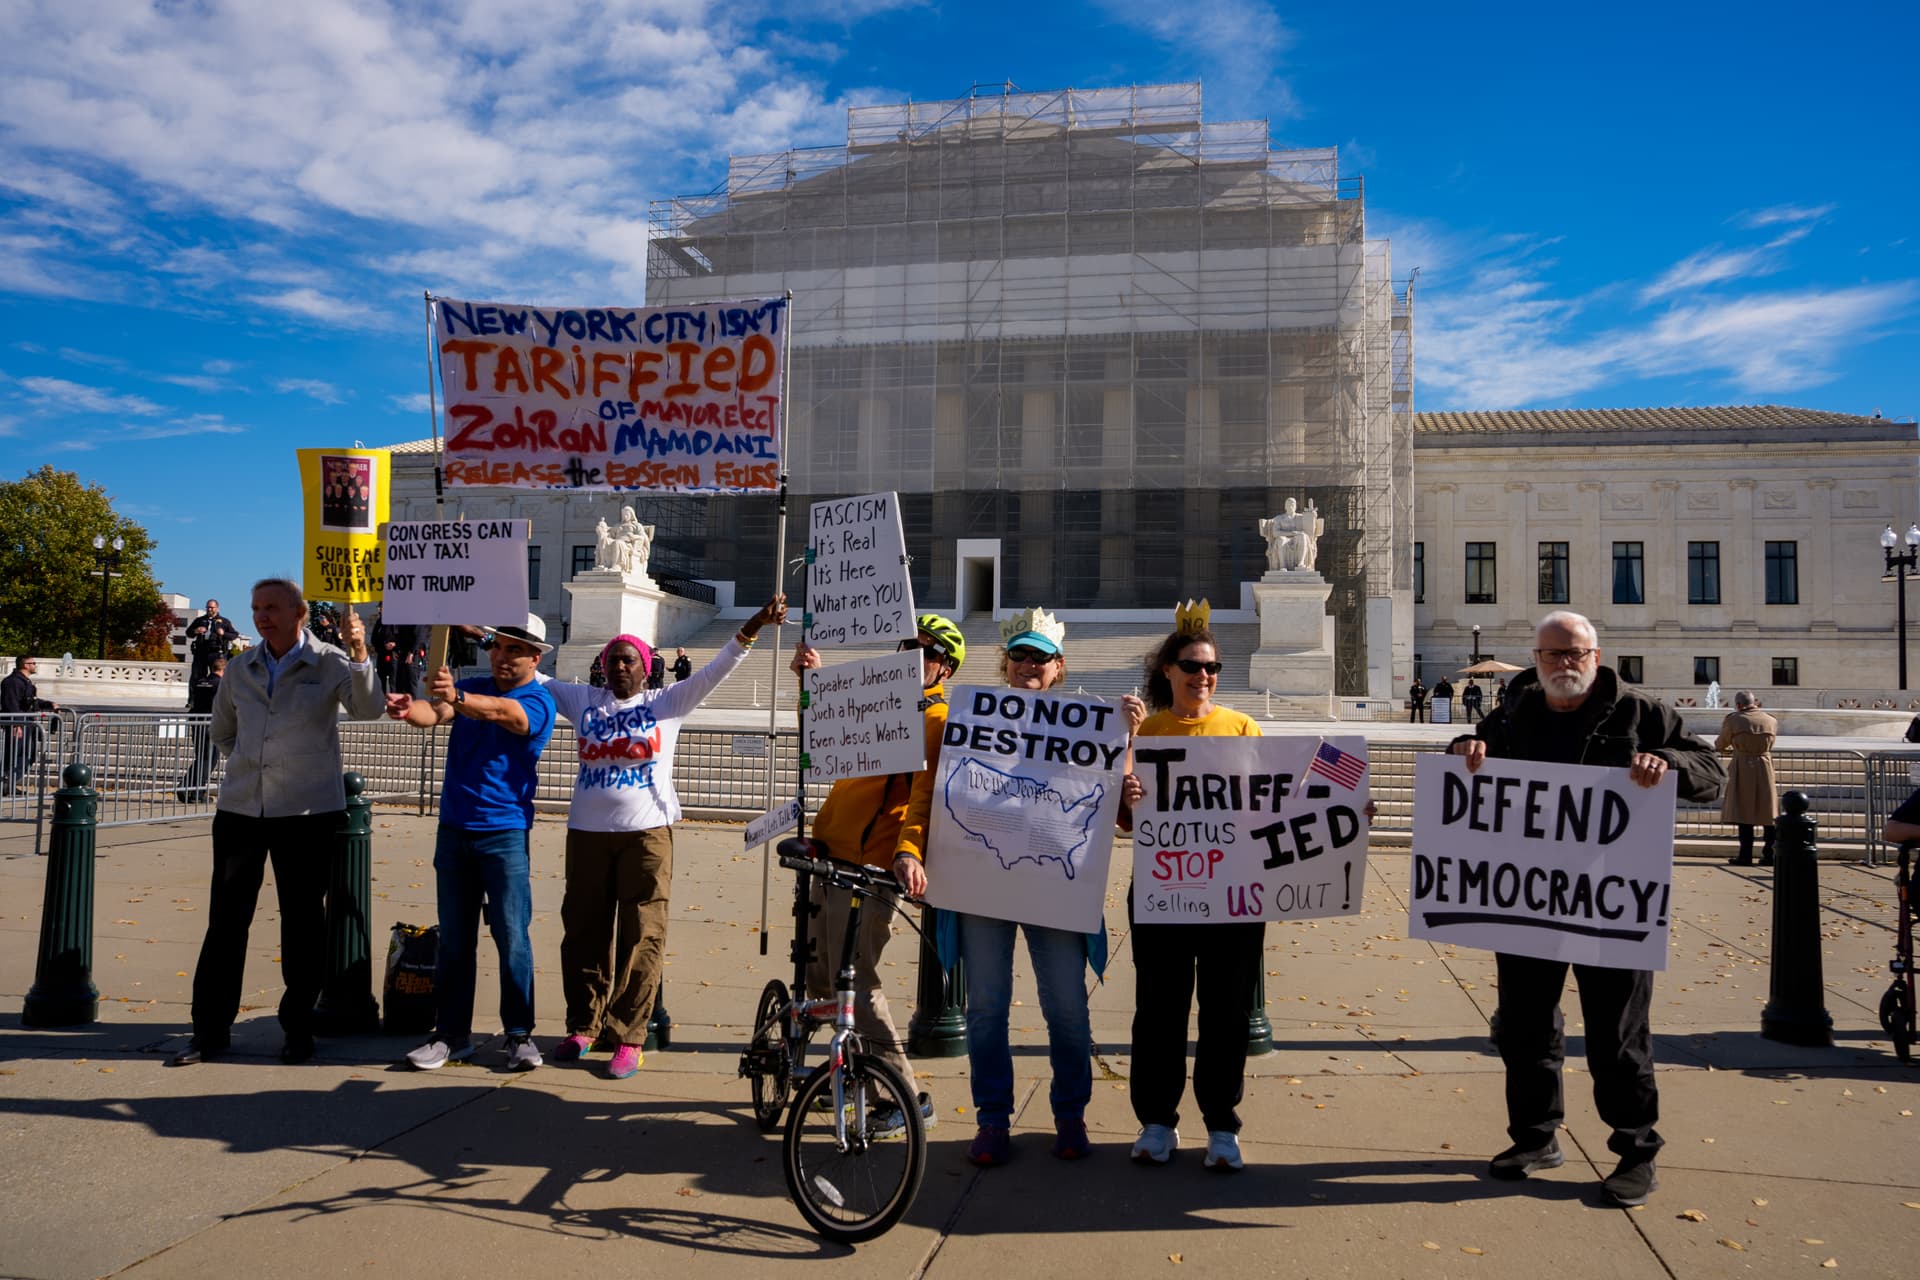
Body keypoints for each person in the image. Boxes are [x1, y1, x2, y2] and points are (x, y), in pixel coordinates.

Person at [1451, 610, 1723, 1207]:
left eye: (1575, 654)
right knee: (1525, 1029)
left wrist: (1669, 763)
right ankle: (1535, 1136)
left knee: (1618, 1034)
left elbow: (1711, 773)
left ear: (1596, 656)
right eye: (1552, 655)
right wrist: (1465, 745)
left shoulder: (1642, 713)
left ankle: (1635, 1151)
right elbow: (1468, 763)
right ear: (1537, 660)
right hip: (1527, 901)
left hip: (1610, 904)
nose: (1564, 665)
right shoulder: (1514, 713)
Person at [540, 597, 787, 1080]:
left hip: (647, 836)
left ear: (646, 667)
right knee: (584, 932)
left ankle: (629, 1034)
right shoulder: (581, 701)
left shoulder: (666, 703)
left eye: (628, 660)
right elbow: (531, 673)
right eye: (612, 660)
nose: (618, 667)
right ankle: (583, 1026)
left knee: (642, 935)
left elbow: (719, 668)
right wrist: (482, 635)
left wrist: (755, 622)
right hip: (587, 835)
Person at [895, 606, 1103, 1166]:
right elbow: (923, 795)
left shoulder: (1089, 725)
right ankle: (991, 1119)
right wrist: (909, 848)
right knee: (985, 1008)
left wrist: (1126, 741)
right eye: (1019, 656)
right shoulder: (962, 718)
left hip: (1053, 889)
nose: (1028, 665)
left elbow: (1106, 809)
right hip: (981, 882)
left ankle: (1070, 1114)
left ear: (1058, 668)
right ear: (1004, 663)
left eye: (1040, 658)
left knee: (1066, 1009)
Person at [171, 580, 383, 1066]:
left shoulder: (330, 660)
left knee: (303, 921)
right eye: (256, 609)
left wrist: (360, 653)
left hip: (306, 812)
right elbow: (224, 732)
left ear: (299, 613)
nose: (262, 616)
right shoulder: (241, 667)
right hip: (242, 809)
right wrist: (254, 763)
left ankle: (298, 1028)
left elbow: (369, 710)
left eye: (272, 608)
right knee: (225, 921)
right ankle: (209, 1029)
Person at [791, 613, 965, 1134]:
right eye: (908, 645)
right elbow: (820, 745)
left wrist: (909, 851)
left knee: (857, 986)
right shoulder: (879, 701)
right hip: (829, 853)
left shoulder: (938, 720)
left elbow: (924, 798)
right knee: (822, 980)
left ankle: (905, 1096)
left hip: (872, 869)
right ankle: (855, 1081)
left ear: (946, 669)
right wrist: (809, 683)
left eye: (930, 653)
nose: (916, 657)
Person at [1117, 612, 1262, 1172]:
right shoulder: (1148, 733)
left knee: (1227, 1012)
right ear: (1168, 670)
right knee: (1159, 1009)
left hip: (1232, 895)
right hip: (1164, 890)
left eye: (1212, 667)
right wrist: (1127, 794)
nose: (1204, 675)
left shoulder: (1243, 727)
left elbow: (1275, 804)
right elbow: (1128, 821)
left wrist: (1341, 807)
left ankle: (1221, 1124)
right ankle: (1157, 1121)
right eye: (1193, 666)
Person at [388, 614, 558, 1072]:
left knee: (512, 939)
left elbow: (506, 715)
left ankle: (519, 1035)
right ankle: (451, 1035)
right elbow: (435, 713)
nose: (502, 656)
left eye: (514, 650)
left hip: (504, 832)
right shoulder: (475, 684)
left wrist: (457, 696)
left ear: (535, 658)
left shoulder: (538, 699)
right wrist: (410, 709)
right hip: (455, 829)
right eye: (498, 647)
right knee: (457, 943)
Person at [1717, 691, 1779, 867]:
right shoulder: (1770, 720)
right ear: (1755, 703)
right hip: (1765, 764)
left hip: (1743, 764)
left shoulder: (1733, 719)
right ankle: (1770, 853)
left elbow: (1721, 743)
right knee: (1769, 811)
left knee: (1744, 810)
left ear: (1737, 705)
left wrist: (1732, 750)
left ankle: (1745, 855)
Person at [2, 655, 58, 795]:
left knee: (28, 755)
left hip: (27, 723)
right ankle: (5, 784)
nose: (35, 665)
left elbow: (30, 701)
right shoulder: (13, 682)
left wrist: (48, 704)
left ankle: (9, 784)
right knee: (15, 755)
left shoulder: (25, 681)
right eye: (33, 663)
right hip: (19, 724)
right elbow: (11, 704)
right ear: (25, 665)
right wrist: (17, 724)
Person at [177, 655, 225, 801]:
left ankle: (186, 787)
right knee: (210, 759)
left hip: (197, 721)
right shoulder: (221, 684)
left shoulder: (200, 682)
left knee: (202, 757)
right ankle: (197, 792)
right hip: (212, 723)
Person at [373, 608, 428, 699]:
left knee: (409, 683)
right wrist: (394, 649)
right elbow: (398, 636)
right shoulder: (397, 620)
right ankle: (397, 704)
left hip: (411, 655)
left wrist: (411, 652)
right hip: (399, 653)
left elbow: (418, 637)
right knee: (399, 683)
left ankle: (412, 707)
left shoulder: (418, 619)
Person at [185, 599, 239, 688]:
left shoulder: (224, 621)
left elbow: (234, 635)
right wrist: (196, 630)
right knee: (197, 677)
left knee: (218, 677)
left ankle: (218, 699)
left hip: (217, 653)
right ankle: (194, 700)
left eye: (212, 607)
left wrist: (223, 633)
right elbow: (188, 633)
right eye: (208, 607)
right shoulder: (199, 620)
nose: (210, 609)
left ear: (217, 608)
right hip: (201, 652)